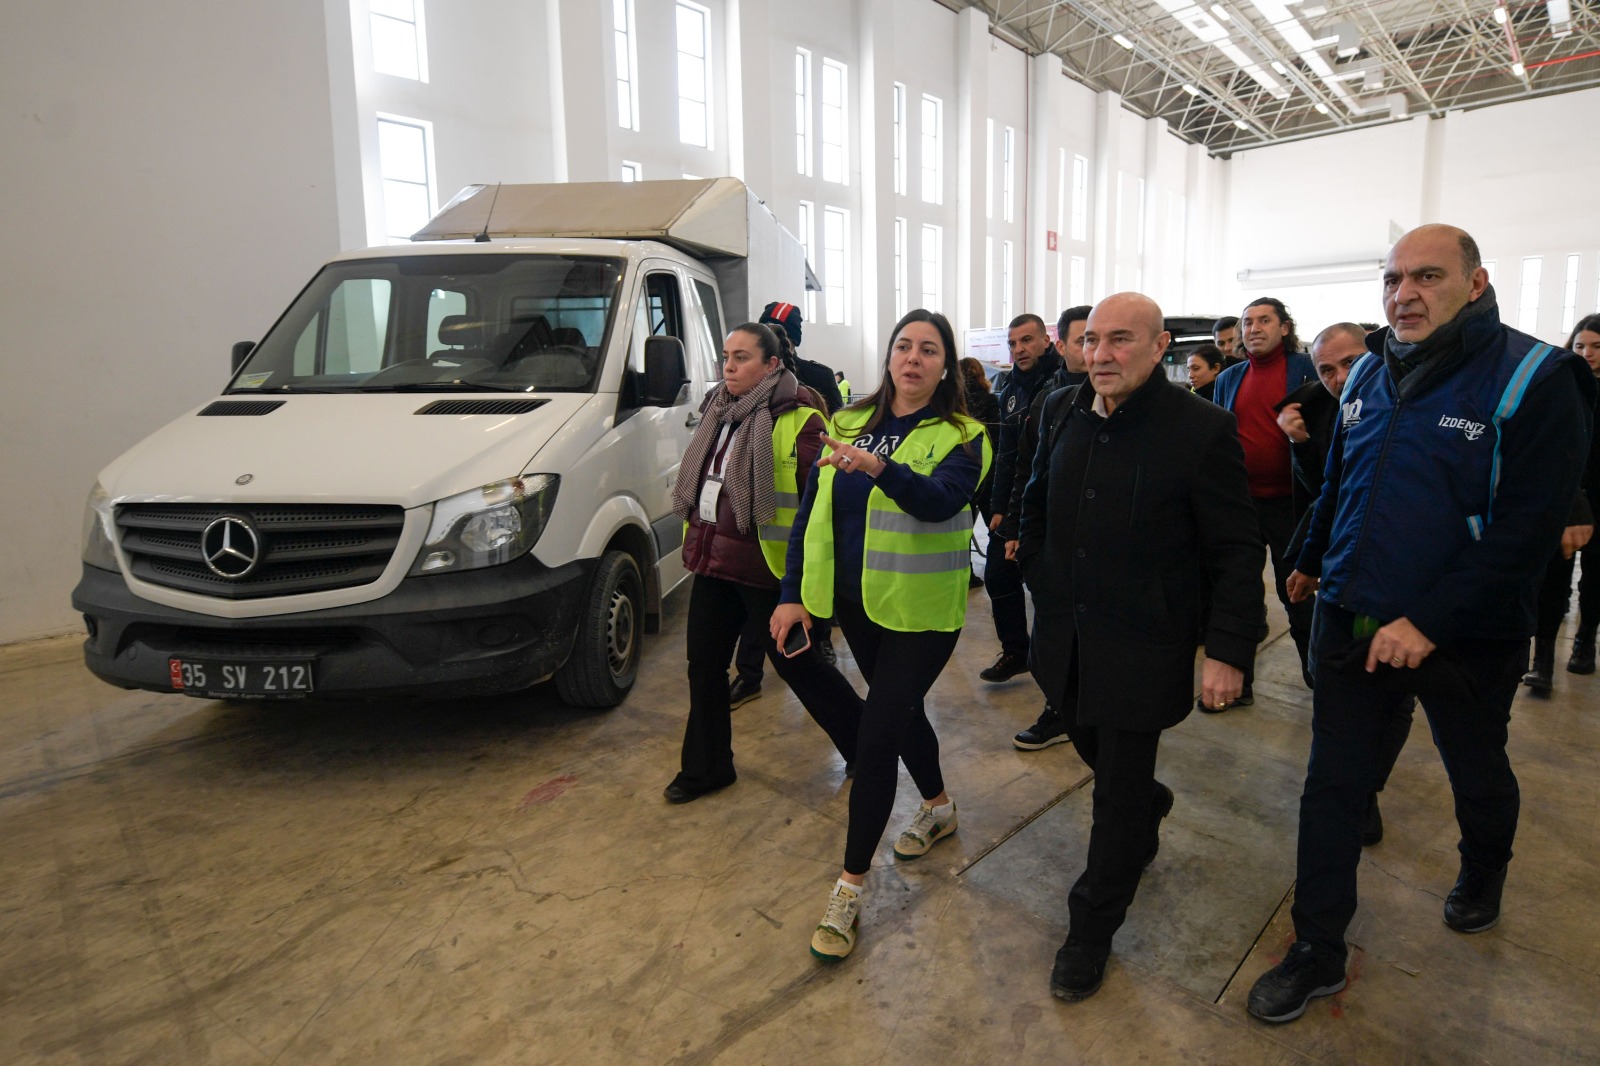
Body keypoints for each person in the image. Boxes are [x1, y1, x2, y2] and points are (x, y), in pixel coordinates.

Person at [1247, 224, 1595, 1025]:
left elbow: (1527, 532)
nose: (1403, 294)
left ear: (1476, 284)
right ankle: (1317, 948)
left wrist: (1428, 621)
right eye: (1393, 278)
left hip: (1468, 636)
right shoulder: (1371, 368)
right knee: (1332, 787)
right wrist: (1310, 556)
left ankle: (1484, 867)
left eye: (1427, 276)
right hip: (1352, 617)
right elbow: (1343, 481)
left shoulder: (1538, 377)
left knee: (1475, 768)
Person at [1017, 292, 1266, 1001]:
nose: (1100, 354)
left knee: (1116, 797)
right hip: (1065, 635)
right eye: (1092, 339)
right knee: (1089, 742)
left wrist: (1229, 649)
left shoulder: (1201, 429)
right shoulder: (1059, 409)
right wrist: (1036, 569)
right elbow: (1037, 499)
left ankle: (1090, 930)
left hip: (1144, 642)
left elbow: (1236, 548)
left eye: (1120, 340)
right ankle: (1150, 800)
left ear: (1160, 348)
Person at [771, 309, 991, 963]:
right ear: (890, 355)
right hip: (857, 606)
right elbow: (811, 514)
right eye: (904, 345)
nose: (913, 357)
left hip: (922, 614)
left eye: (929, 349)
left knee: (876, 737)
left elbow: (940, 501)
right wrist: (791, 594)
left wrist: (878, 468)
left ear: (945, 366)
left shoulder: (966, 435)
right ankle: (939, 806)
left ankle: (849, 888)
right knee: (902, 714)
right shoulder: (845, 421)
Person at [664, 324, 864, 803]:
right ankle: (707, 768)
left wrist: (804, 584)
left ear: (772, 364)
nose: (729, 367)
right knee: (703, 668)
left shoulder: (800, 420)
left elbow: (820, 506)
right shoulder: (718, 410)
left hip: (768, 570)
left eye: (742, 358)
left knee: (800, 668)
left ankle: (866, 746)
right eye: (726, 357)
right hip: (714, 562)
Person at [1277, 322, 1411, 846]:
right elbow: (1326, 491)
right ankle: (1340, 786)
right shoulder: (1318, 408)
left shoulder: (1407, 403)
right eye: (1326, 369)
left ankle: (1366, 791)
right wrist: (1310, 561)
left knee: (1392, 693)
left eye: (1350, 363)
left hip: (1396, 575)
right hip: (1336, 567)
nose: (1339, 378)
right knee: (1330, 683)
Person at [1207, 297, 1318, 700]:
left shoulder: (1307, 370)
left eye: (1264, 320)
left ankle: (1320, 681)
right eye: (1248, 322)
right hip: (1242, 504)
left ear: (1285, 328)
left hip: (1291, 505)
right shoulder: (1229, 377)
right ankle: (1239, 685)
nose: (1253, 328)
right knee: (1239, 596)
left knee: (1297, 597)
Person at [729, 301, 843, 689]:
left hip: (796, 512)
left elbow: (835, 431)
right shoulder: (740, 389)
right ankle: (751, 673)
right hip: (758, 524)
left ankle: (817, 646)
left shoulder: (815, 379)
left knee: (807, 586)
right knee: (759, 605)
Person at [995, 304, 1092, 750]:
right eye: (1086, 341)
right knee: (1054, 625)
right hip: (1052, 532)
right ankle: (1060, 707)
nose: (1097, 351)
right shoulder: (1047, 399)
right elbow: (1024, 467)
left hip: (1103, 540)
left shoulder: (1131, 400)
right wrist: (1014, 523)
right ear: (1064, 345)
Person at [980, 313, 1063, 684]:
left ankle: (1054, 666)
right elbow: (1006, 453)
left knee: (1047, 590)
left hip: (1052, 504)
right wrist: (998, 507)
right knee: (998, 575)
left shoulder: (1064, 382)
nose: (1019, 349)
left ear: (1047, 341)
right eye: (1013, 343)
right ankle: (1016, 651)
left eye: (1027, 340)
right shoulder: (1010, 389)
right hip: (1016, 501)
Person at [1523, 312, 1600, 690]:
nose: (1587, 353)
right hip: (1566, 497)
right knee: (1552, 583)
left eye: (1597, 346)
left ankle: (1585, 643)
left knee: (1595, 582)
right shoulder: (1566, 386)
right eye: (1580, 345)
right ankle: (1542, 662)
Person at [961, 356, 1002, 588]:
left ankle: (966, 573)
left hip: (961, 469)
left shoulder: (953, 401)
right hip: (986, 469)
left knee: (963, 525)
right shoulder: (990, 400)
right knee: (994, 524)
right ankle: (1000, 570)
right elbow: (996, 438)